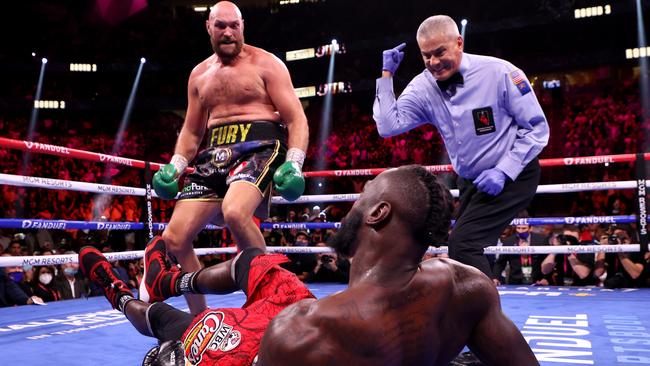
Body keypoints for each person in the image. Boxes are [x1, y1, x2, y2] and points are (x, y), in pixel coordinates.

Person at [80, 166, 537, 365]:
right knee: (258, 262)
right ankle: (175, 278)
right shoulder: (467, 286)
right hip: (304, 319)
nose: (354, 203)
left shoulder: (301, 334)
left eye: (365, 194)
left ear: (378, 215)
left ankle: (123, 297)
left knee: (171, 328)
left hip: (261, 355)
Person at [150, 1, 309, 314]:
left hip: (260, 146)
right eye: (220, 25)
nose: (227, 32)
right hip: (213, 154)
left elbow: (296, 118)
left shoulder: (267, 63)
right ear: (208, 27)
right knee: (174, 238)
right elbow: (192, 132)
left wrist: (294, 162)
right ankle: (199, 318)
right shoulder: (199, 75)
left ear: (242, 26)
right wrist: (176, 165)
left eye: (233, 25)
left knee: (235, 212)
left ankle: (270, 304)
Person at [372, 14, 549, 277]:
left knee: (464, 244)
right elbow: (388, 126)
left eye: (440, 52)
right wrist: (387, 76)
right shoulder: (423, 86)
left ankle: (485, 316)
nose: (433, 62)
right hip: (469, 182)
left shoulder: (500, 72)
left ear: (459, 43)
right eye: (426, 55)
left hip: (515, 173)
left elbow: (537, 128)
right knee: (460, 250)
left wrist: (504, 170)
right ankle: (473, 311)